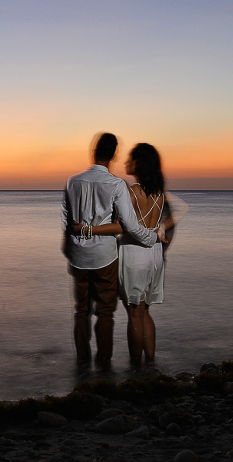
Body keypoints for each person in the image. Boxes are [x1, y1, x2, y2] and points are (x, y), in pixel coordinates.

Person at [74, 143, 188, 365]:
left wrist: (87, 230)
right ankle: (151, 364)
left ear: (139, 163)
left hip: (134, 254)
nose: (126, 162)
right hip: (155, 255)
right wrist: (162, 227)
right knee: (144, 312)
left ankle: (136, 367)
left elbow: (122, 228)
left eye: (130, 159)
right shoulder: (158, 193)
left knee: (134, 314)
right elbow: (182, 208)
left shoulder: (132, 192)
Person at [62, 133, 158, 366]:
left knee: (80, 311)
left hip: (77, 255)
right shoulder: (116, 184)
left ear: (93, 151)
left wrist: (70, 247)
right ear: (114, 154)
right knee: (105, 312)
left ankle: (82, 364)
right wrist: (152, 237)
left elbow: (66, 221)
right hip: (105, 256)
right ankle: (104, 362)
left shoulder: (72, 182)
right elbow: (129, 224)